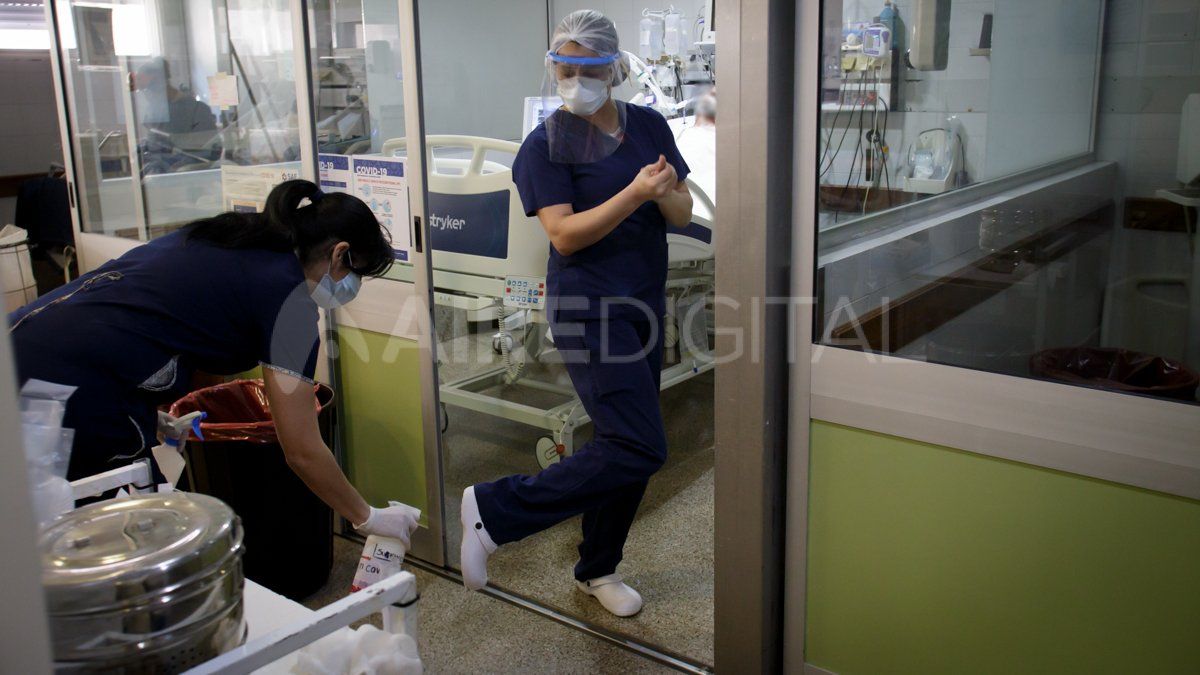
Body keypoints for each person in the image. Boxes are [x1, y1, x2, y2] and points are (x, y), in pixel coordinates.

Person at [7, 179, 420, 549]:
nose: (352, 288)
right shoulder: (289, 303)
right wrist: (366, 517)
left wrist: (160, 417)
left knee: (45, 523)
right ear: (339, 253)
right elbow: (301, 448)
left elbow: (176, 326)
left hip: (20, 346)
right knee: (134, 540)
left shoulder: (227, 237)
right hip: (67, 391)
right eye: (356, 274)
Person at [458, 10, 693, 617]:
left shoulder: (648, 125)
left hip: (642, 301)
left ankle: (597, 568)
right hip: (589, 308)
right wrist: (636, 192)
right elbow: (563, 235)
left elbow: (682, 213)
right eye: (564, 69)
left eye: (588, 68)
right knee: (640, 444)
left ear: (613, 70)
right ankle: (493, 509)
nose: (575, 80)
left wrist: (667, 191)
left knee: (625, 441)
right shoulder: (547, 145)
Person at [133, 58, 222, 173]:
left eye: (149, 90)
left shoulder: (196, 110)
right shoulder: (155, 110)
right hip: (160, 170)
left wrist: (179, 166)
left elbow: (210, 151)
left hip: (184, 174)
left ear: (161, 84)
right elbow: (155, 142)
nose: (147, 96)